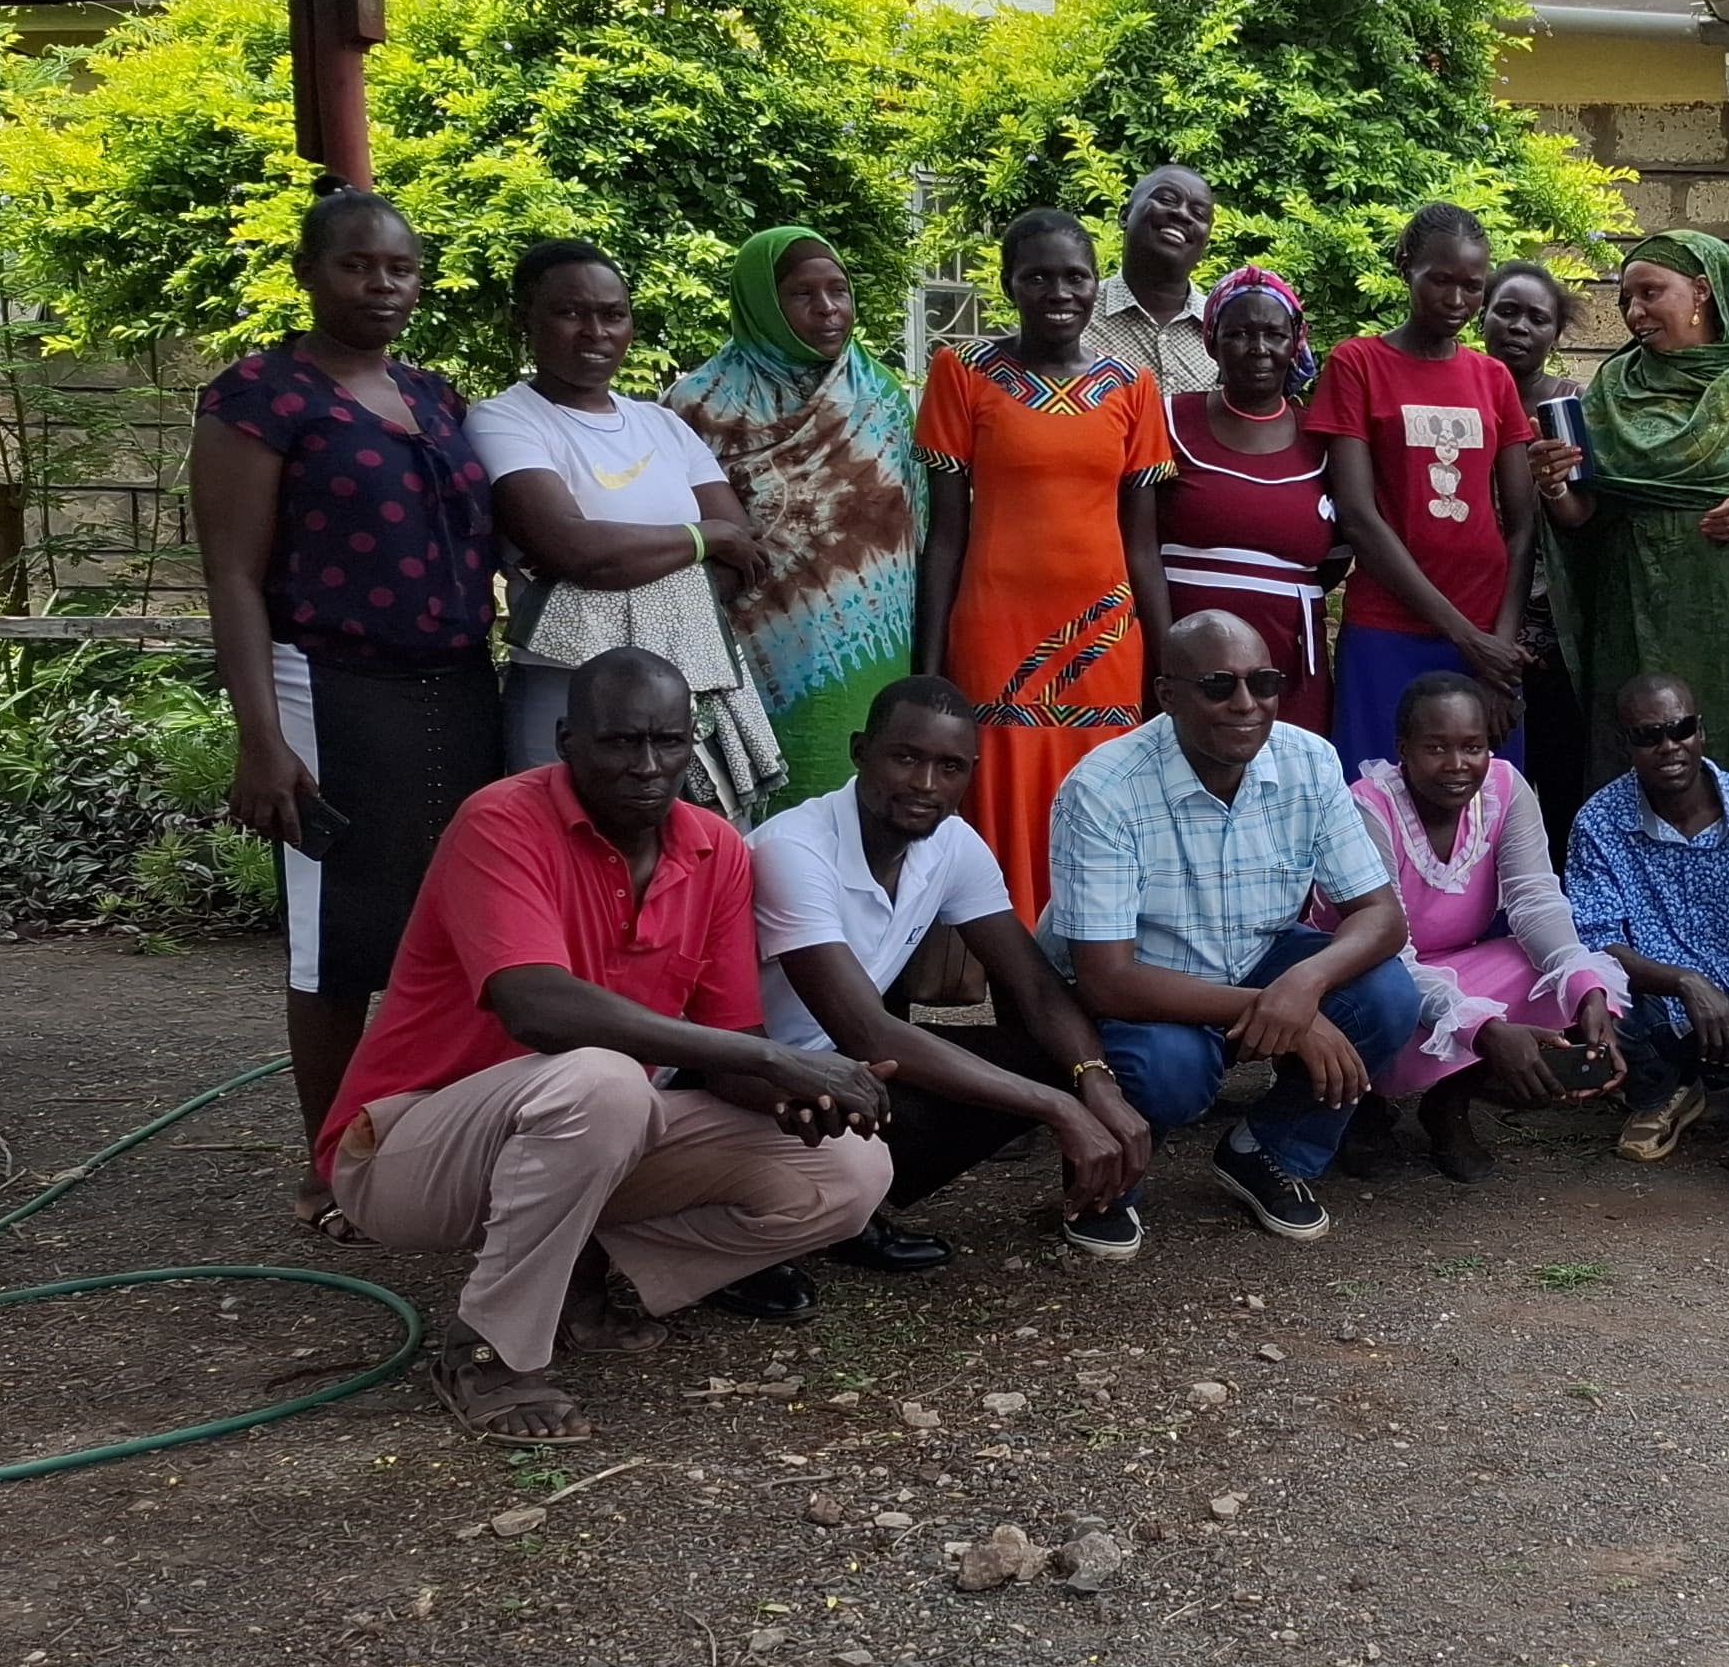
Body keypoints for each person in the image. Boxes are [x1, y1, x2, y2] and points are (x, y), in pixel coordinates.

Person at [316, 648, 894, 1441]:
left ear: (694, 744)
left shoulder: (716, 849)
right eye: (621, 742)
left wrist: (802, 1095)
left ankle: (583, 1278)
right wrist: (772, 1059)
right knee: (606, 1081)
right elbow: (536, 1009)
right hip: (407, 1149)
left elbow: (732, 1044)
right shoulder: (501, 821)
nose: (647, 766)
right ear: (566, 740)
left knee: (852, 1172)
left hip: (578, 1132)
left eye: (669, 742)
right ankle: (487, 1351)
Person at [191, 188, 508, 1218]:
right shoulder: (259, 397)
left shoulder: (439, 399)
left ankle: (435, 1143)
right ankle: (331, 1165)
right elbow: (233, 575)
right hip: (327, 681)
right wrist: (260, 738)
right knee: (338, 937)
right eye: (358, 265)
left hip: (457, 682)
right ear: (309, 273)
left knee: (455, 922)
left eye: (401, 268)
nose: (382, 284)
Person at [747, 675, 1156, 1281]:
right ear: (861, 752)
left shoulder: (952, 843)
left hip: (842, 1069)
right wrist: (1058, 1109)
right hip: (746, 1074)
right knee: (995, 1075)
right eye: (905, 758)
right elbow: (867, 1031)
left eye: (949, 767)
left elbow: (1036, 987)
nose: (925, 785)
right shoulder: (794, 849)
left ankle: (849, 1213)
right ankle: (759, 1234)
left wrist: (1093, 1082)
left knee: (1052, 1045)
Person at [1045, 610, 1421, 1243]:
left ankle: (1266, 1150)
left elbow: (1383, 917)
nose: (1247, 704)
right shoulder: (1104, 788)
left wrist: (1304, 987)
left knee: (1388, 998)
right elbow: (1107, 980)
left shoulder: (1309, 760)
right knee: (1171, 1069)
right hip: (1144, 981)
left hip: (1256, 954)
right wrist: (1283, 1012)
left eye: (1264, 683)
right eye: (1219, 685)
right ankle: (1107, 1176)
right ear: (1167, 695)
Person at [912, 206, 1177, 919]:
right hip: (995, 630)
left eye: (1075, 276)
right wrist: (928, 668)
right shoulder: (962, 372)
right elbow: (943, 536)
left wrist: (1166, 663)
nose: (1059, 292)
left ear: (1098, 285)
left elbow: (1142, 545)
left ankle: (1095, 970)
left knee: (1104, 799)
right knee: (997, 801)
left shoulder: (1131, 387)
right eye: (1037, 277)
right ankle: (1000, 984)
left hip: (1107, 639)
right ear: (1009, 285)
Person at [471, 241, 760, 778]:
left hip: (679, 689)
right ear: (523, 321)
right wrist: (703, 537)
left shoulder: (664, 426)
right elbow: (574, 548)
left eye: (612, 315)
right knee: (559, 845)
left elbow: (740, 553)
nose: (595, 332)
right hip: (566, 686)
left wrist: (629, 565)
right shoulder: (505, 421)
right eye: (569, 313)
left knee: (678, 852)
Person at [1331, 668, 1626, 1185]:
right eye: (1436, 748)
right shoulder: (1368, 805)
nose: (1458, 765)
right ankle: (1362, 1106)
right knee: (1387, 992)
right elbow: (1385, 951)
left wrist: (1586, 988)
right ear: (1403, 749)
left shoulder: (1506, 789)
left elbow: (1534, 898)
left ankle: (1448, 1104)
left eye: (1473, 746)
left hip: (1447, 965)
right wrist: (1483, 1030)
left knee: (1545, 971)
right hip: (1364, 975)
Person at [665, 224, 926, 798]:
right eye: (803, 295)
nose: (829, 309)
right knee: (759, 816)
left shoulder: (880, 397)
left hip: (874, 650)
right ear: (761, 302)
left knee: (865, 807)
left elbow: (916, 534)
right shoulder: (698, 405)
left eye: (839, 291)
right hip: (750, 652)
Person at [1530, 230, 1729, 789]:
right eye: (1627, 299)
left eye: (1650, 293)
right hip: (1636, 611)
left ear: (1702, 291)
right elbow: (1582, 517)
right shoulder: (1614, 386)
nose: (1634, 312)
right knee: (1638, 760)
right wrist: (1554, 484)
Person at [1309, 202, 1539, 771]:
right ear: (1403, 266)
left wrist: (1499, 653)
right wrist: (1466, 638)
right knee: (1378, 797)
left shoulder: (1492, 379)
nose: (1457, 301)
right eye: (1440, 280)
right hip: (1389, 629)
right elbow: (1359, 516)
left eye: (1472, 286)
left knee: (1482, 810)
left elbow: (1522, 521)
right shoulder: (1357, 363)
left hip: (1487, 635)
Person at [1563, 671, 1729, 1166]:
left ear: (1701, 731)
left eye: (1680, 729)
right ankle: (1661, 1097)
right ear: (1626, 746)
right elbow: (1597, 939)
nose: (1669, 746)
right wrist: (1685, 981)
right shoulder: (1598, 821)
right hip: (1656, 1003)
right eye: (1648, 735)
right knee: (1596, 988)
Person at [1155, 265, 1340, 739]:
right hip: (1183, 657)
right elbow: (1133, 538)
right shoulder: (1170, 419)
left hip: (1287, 661)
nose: (1259, 349)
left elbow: (1339, 549)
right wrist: (1163, 652)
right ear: (1212, 342)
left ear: (1294, 342)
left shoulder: (1321, 437)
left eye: (1274, 334)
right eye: (1239, 334)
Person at [1477, 259, 1595, 807]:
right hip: (1469, 616)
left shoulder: (1573, 409)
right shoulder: (1457, 395)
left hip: (1557, 632)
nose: (1519, 326)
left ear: (1555, 334)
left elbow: (1588, 514)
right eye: (1506, 311)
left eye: (1537, 318)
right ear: (1483, 317)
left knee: (1555, 781)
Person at [1091, 162, 1221, 397]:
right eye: (1166, 200)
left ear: (1206, 241)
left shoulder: (1223, 330)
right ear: (1124, 216)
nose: (1182, 213)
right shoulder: (1077, 314)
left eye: (1198, 214)